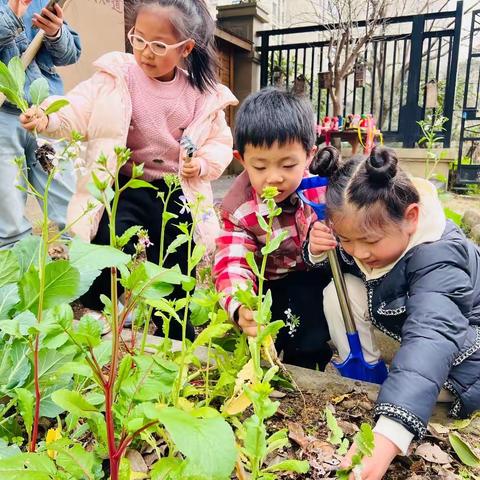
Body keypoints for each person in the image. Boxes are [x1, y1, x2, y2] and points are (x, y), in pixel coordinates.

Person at [20, 0, 237, 339]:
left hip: (177, 190)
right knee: (109, 241)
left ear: (185, 49)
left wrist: (203, 164)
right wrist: (47, 117)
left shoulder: (200, 93)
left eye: (159, 45)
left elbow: (219, 141)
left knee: (177, 256)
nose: (145, 52)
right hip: (128, 183)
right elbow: (76, 109)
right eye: (138, 39)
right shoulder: (117, 77)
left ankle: (174, 320)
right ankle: (99, 307)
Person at [307, 146, 480, 479]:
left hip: (465, 350)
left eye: (369, 241)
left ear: (411, 217)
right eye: (345, 239)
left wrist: (390, 432)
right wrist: (317, 249)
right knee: (339, 289)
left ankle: (400, 400)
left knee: (424, 367)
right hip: (406, 326)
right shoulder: (368, 235)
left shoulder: (440, 256)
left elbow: (432, 335)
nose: (359, 252)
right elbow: (347, 255)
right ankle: (367, 376)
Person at [213, 88, 333, 370]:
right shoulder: (238, 208)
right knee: (266, 323)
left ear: (309, 155)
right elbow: (232, 262)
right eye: (260, 166)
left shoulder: (322, 189)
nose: (274, 177)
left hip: (313, 275)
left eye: (288, 164)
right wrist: (242, 305)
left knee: (310, 328)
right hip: (268, 282)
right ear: (241, 160)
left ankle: (309, 362)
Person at [0, 0, 81, 247]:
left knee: (71, 211)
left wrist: (56, 32)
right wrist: (12, 15)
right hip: (3, 116)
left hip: (44, 112)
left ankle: (76, 277)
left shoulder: (40, 2)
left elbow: (71, 54)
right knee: (8, 220)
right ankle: (14, 283)